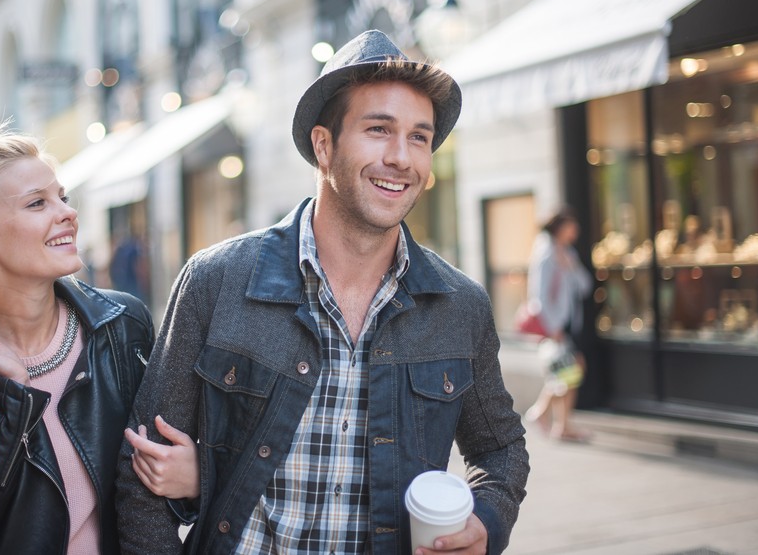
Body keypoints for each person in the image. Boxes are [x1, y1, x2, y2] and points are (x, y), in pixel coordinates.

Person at [116, 30, 529, 555]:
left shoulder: (458, 306)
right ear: (324, 145)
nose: (402, 157)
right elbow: (140, 473)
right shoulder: (217, 280)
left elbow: (501, 449)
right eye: (379, 129)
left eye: (419, 137)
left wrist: (485, 523)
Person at [0, 99, 199, 554]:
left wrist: (193, 479)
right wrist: (12, 393)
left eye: (62, 197)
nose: (67, 213)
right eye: (37, 203)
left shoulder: (123, 327)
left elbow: (151, 496)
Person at [522, 207, 593, 442]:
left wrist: (569, 265)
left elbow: (585, 286)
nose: (576, 230)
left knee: (567, 372)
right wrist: (554, 329)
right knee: (573, 369)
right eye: (572, 225)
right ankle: (549, 417)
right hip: (556, 326)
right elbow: (539, 296)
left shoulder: (567, 253)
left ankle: (555, 421)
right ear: (560, 227)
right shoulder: (545, 254)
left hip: (570, 322)